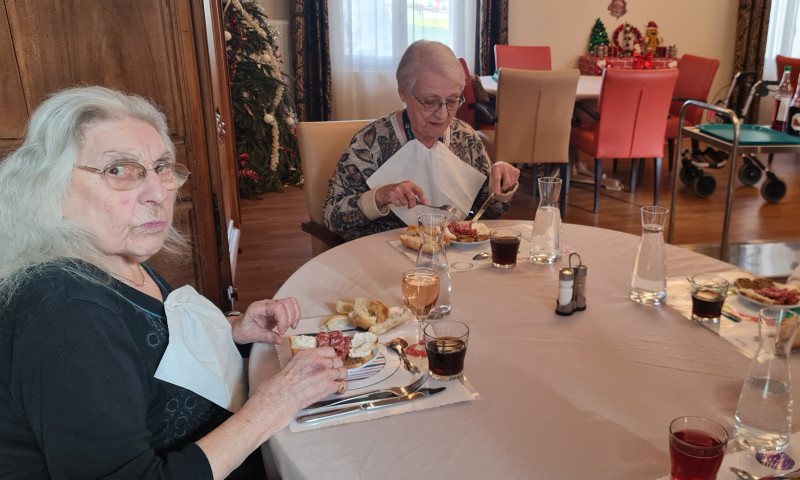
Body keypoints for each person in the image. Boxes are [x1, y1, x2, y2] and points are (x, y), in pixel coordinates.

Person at [0, 86, 348, 479]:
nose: (158, 192)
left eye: (161, 167)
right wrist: (275, 404)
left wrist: (231, 330)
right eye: (118, 170)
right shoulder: (64, 312)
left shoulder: (111, 258)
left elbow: (149, 346)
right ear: (50, 186)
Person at [323, 40, 520, 240]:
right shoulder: (370, 143)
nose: (443, 115)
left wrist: (502, 185)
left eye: (452, 100)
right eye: (430, 101)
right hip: (382, 254)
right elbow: (332, 217)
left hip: (450, 256)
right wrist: (379, 196)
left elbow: (488, 212)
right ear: (402, 92)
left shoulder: (465, 137)